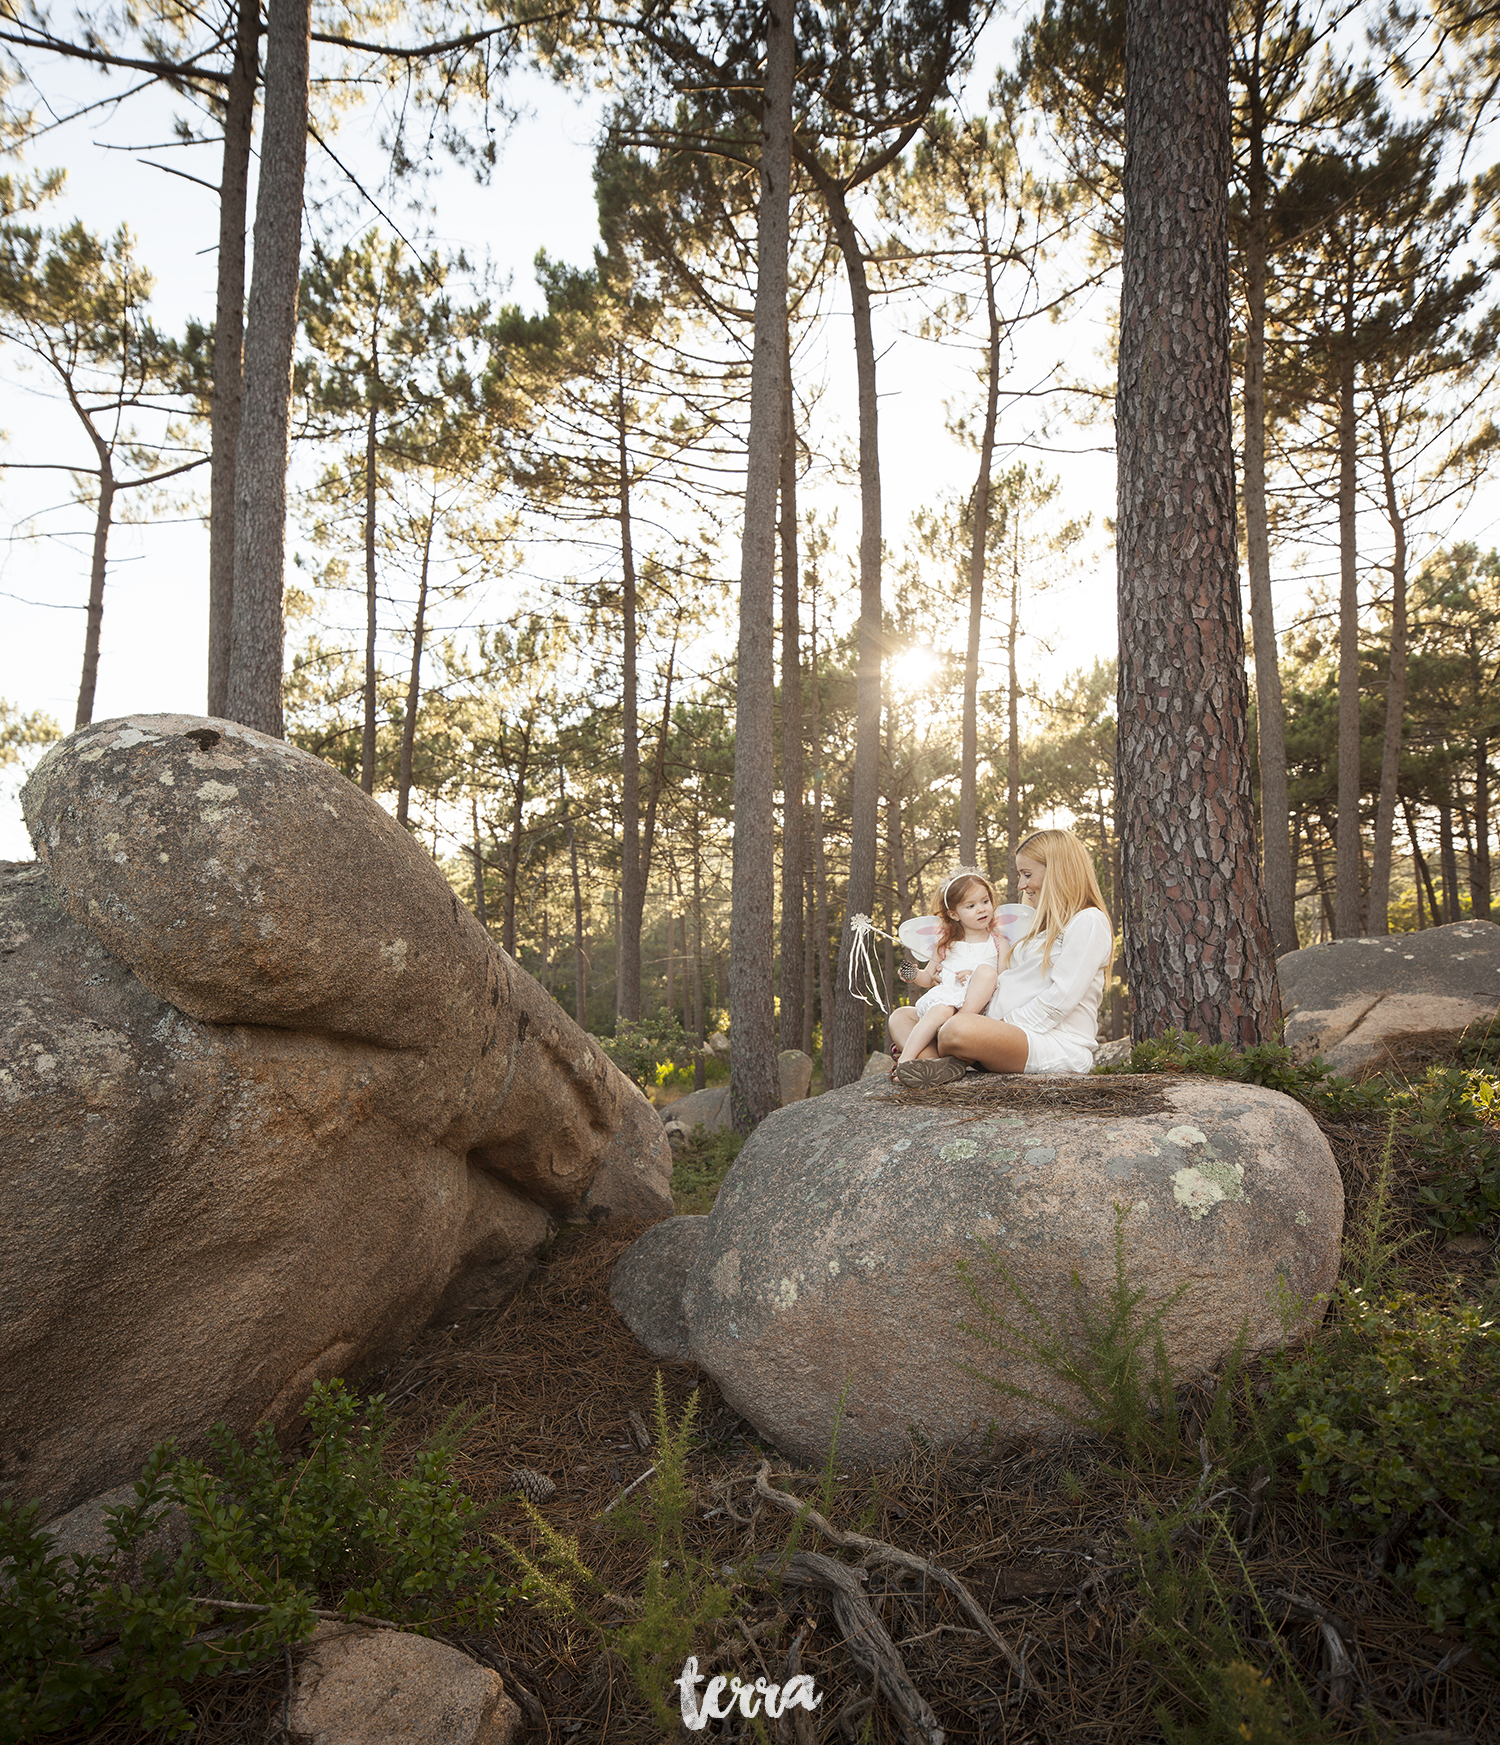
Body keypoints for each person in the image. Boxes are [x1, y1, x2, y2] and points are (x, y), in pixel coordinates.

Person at [893, 829, 1113, 1086]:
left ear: (1057, 870)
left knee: (957, 1028)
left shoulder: (1088, 921)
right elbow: (1004, 978)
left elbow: (1060, 1000)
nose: (1021, 885)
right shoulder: (1038, 927)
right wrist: (967, 982)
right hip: (999, 1025)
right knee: (902, 1017)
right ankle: (933, 1064)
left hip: (1051, 1041)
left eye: (1027, 874)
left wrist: (995, 1025)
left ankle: (934, 1050)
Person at [887, 870, 1001, 1087]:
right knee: (900, 1016)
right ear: (954, 914)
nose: (982, 909)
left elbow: (1005, 978)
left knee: (984, 975)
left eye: (985, 901)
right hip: (943, 1009)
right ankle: (935, 1063)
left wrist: (974, 975)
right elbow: (928, 978)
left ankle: (905, 1061)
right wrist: (914, 975)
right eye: (971, 906)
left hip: (971, 1016)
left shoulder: (997, 943)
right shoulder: (946, 944)